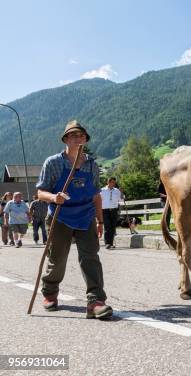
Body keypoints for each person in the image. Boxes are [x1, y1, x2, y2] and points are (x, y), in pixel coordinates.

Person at [36, 120, 112, 319]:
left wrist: (100, 221)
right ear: (66, 140)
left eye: (81, 136)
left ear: (85, 139)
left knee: (91, 257)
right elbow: (40, 192)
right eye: (73, 135)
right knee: (57, 259)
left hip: (85, 217)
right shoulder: (53, 163)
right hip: (59, 217)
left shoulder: (92, 165)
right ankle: (50, 293)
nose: (78, 139)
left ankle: (96, 301)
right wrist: (54, 197)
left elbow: (96, 195)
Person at [100, 177, 123, 249]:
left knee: (113, 227)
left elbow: (121, 199)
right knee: (107, 227)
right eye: (112, 182)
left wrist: (121, 193)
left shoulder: (117, 191)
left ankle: (111, 243)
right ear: (108, 182)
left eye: (114, 182)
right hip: (105, 210)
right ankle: (107, 243)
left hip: (114, 210)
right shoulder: (102, 190)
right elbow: (99, 200)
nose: (113, 184)